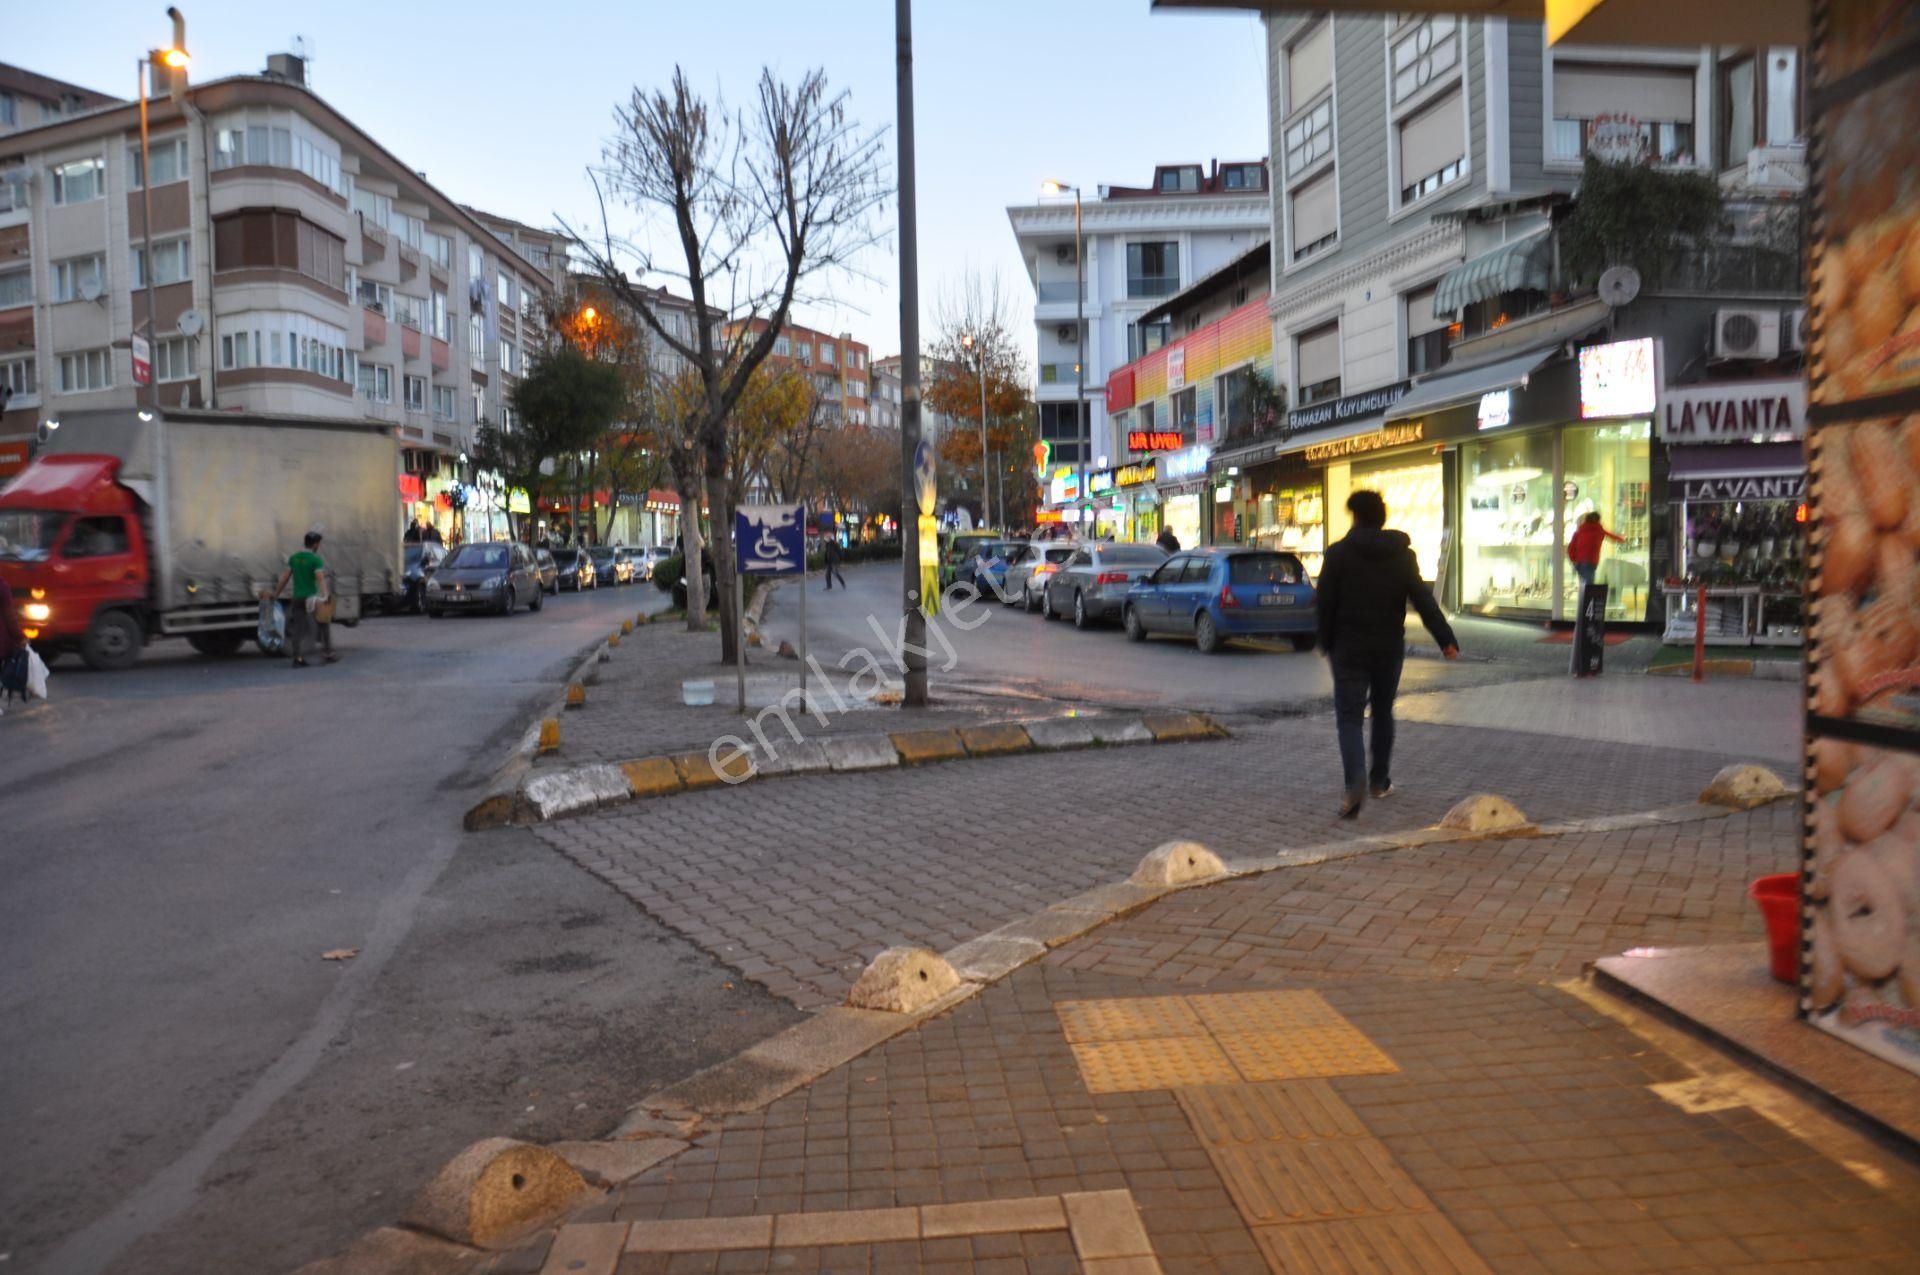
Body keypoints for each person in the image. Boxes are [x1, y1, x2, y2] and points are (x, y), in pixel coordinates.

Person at [1316, 490, 1459, 819]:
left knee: (1349, 718)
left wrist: (1324, 641)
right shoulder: (1402, 556)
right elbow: (1423, 599)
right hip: (1388, 647)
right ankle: (1379, 781)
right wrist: (1445, 639)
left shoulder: (1338, 554)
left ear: (1356, 517)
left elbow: (1324, 602)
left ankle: (1354, 782)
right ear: (1382, 518)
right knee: (1382, 711)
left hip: (1348, 648)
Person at [265, 530, 333, 667]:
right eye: (318, 543)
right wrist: (325, 595)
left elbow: (284, 578)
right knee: (324, 623)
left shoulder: (294, 558)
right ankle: (327, 654)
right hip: (312, 599)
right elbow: (320, 578)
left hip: (297, 598)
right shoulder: (315, 559)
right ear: (315, 544)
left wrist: (276, 594)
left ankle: (297, 659)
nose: (318, 546)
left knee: (297, 629)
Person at [1566, 511, 1625, 591]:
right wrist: (1622, 539)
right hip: (1590, 561)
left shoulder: (1580, 531)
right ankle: (1587, 598)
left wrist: (1573, 559)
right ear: (1598, 520)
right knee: (1589, 586)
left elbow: (1571, 547)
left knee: (1584, 584)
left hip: (1579, 561)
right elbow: (1611, 536)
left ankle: (1584, 598)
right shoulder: (1598, 530)